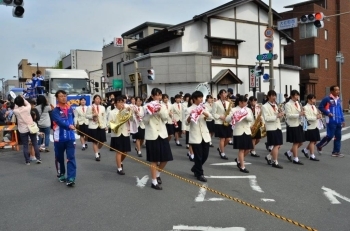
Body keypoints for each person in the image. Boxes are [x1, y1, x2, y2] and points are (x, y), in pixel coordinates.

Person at [143, 88, 173, 190]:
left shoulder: (163, 106)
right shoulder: (146, 106)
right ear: (152, 96)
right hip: (151, 135)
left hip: (162, 134)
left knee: (166, 158)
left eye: (160, 95)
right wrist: (150, 113)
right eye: (156, 95)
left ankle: (158, 173)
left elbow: (165, 119)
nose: (159, 97)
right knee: (154, 160)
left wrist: (160, 111)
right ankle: (154, 181)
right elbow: (144, 121)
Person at [185, 91, 212, 182]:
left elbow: (211, 117)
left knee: (205, 155)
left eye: (202, 97)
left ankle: (195, 167)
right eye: (199, 98)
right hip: (195, 135)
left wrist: (204, 112)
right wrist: (191, 116)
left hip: (205, 134)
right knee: (198, 156)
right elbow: (186, 122)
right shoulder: (189, 109)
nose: (201, 99)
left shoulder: (204, 107)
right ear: (194, 99)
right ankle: (200, 173)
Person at [51, 90, 76, 186]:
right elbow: (59, 121)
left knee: (71, 158)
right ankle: (61, 174)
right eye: (61, 96)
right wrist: (68, 126)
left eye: (65, 96)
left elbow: (72, 119)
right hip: (59, 139)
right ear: (57, 98)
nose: (64, 97)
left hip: (70, 138)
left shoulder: (70, 109)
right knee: (59, 158)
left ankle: (71, 178)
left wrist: (73, 125)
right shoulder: (55, 111)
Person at [226, 95, 253, 173]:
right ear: (240, 102)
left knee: (248, 149)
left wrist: (245, 115)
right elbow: (227, 119)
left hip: (247, 131)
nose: (245, 103)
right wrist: (233, 116)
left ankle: (238, 160)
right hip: (238, 131)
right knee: (241, 150)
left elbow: (251, 119)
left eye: (246, 102)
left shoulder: (248, 109)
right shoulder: (234, 110)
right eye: (244, 102)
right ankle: (242, 166)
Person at [316, 85, 345, 157]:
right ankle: (319, 145)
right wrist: (327, 113)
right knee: (330, 136)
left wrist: (343, 120)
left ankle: (336, 152)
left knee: (338, 137)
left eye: (338, 90)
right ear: (331, 91)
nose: (338, 91)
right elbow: (320, 107)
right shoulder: (327, 99)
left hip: (338, 121)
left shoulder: (338, 99)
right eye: (336, 90)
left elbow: (340, 110)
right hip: (331, 121)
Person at [13, 95, 41, 165]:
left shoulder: (15, 111)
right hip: (31, 127)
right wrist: (22, 98)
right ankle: (38, 158)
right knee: (35, 143)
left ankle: (27, 161)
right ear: (22, 102)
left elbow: (16, 106)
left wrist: (18, 101)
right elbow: (27, 103)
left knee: (25, 145)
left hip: (22, 129)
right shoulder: (27, 108)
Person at [109, 96, 133, 175]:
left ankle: (121, 162)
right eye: (119, 102)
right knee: (119, 151)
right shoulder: (112, 112)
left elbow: (131, 120)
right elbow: (110, 123)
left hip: (125, 132)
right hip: (117, 133)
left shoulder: (126, 110)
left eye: (122, 102)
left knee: (125, 151)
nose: (121, 104)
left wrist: (130, 112)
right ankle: (119, 168)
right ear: (115, 104)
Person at [261, 90, 284, 169]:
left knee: (278, 145)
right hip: (271, 128)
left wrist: (281, 115)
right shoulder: (265, 106)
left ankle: (268, 157)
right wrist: (277, 116)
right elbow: (266, 118)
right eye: (272, 96)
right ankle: (275, 161)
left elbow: (277, 116)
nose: (274, 98)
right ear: (269, 96)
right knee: (276, 145)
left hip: (277, 127)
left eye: (275, 96)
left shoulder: (276, 105)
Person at [284, 90, 305, 165]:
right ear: (292, 96)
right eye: (296, 95)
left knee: (301, 142)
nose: (297, 97)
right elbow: (288, 115)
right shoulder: (288, 104)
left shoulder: (298, 103)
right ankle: (295, 158)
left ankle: (289, 153)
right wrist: (299, 114)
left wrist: (302, 113)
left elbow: (299, 112)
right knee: (296, 142)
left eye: (298, 95)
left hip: (298, 123)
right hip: (292, 125)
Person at [86, 95, 107, 161]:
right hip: (93, 126)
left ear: (100, 100)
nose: (98, 100)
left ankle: (97, 150)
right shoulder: (90, 107)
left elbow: (104, 117)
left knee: (102, 141)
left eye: (99, 99)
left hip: (101, 126)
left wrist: (106, 125)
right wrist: (92, 115)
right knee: (95, 141)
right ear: (94, 100)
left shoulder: (103, 107)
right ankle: (96, 155)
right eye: (96, 98)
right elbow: (86, 116)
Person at [212, 89, 231, 160]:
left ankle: (220, 148)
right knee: (222, 138)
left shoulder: (228, 103)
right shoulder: (216, 103)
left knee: (228, 139)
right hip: (219, 122)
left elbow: (230, 112)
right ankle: (222, 153)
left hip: (227, 121)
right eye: (223, 93)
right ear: (220, 95)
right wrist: (220, 116)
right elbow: (213, 113)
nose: (224, 95)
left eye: (225, 93)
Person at [301, 94, 321, 161]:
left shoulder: (314, 106)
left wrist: (319, 114)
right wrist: (316, 117)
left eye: (314, 99)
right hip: (310, 126)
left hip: (315, 125)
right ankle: (312, 155)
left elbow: (316, 114)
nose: (314, 100)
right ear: (308, 99)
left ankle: (305, 150)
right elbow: (307, 117)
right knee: (312, 141)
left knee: (315, 141)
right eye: (313, 99)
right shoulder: (305, 107)